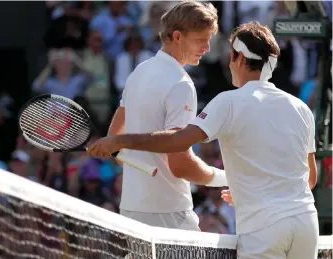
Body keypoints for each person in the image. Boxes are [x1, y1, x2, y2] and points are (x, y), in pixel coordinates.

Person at [88, 22, 319, 259]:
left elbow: (178, 140)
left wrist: (120, 140)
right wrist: (247, 190)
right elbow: (309, 178)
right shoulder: (301, 108)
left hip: (265, 229)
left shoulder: (228, 101)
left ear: (237, 57)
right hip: (306, 225)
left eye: (230, 57)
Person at [104, 1, 222, 232]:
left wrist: (134, 157)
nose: (207, 47)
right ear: (177, 37)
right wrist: (226, 179)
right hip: (169, 214)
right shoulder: (182, 85)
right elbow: (180, 165)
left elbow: (114, 142)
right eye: (201, 40)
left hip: (130, 210)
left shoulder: (140, 71)